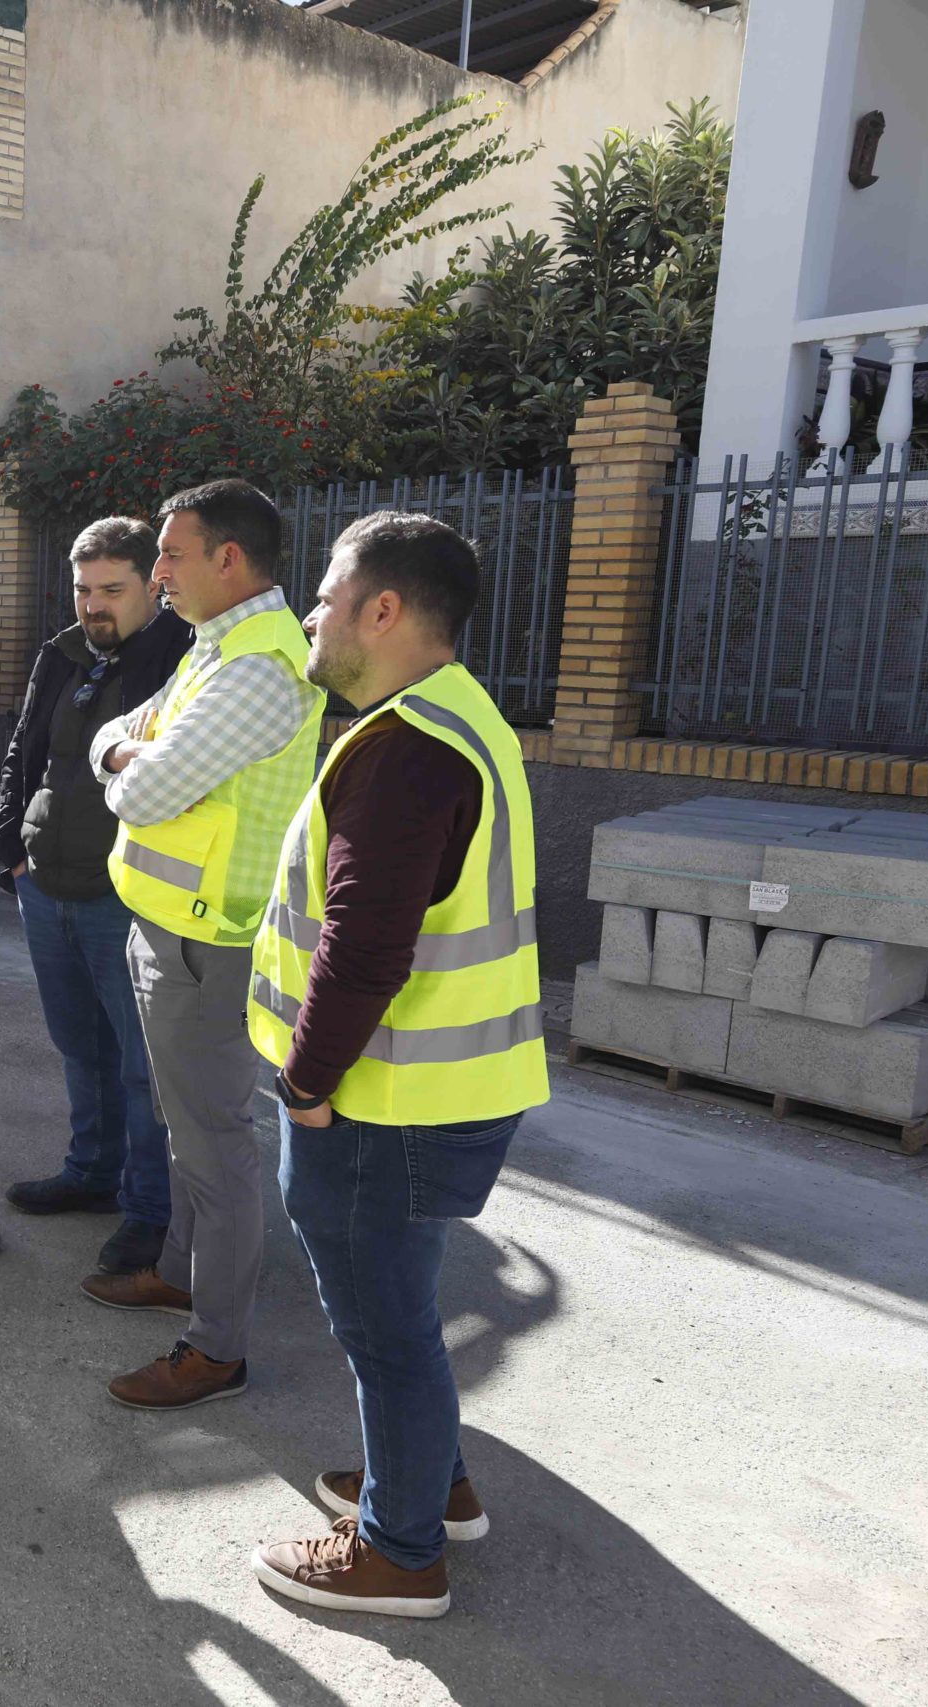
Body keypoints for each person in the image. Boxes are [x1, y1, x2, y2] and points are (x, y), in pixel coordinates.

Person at [247, 512, 547, 1618]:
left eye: (323, 596)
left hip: (384, 1104)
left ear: (383, 609)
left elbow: (365, 943)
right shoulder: (456, 717)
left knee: (382, 1326)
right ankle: (431, 1484)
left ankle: (399, 1551)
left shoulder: (404, 750)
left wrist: (306, 1083)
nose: (310, 617)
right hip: (440, 1094)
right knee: (401, 1311)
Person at [83, 479, 324, 1410]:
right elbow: (119, 739)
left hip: (211, 942)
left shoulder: (260, 668)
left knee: (216, 1143)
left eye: (172, 556)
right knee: (188, 1126)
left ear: (230, 558)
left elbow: (142, 788)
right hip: (170, 928)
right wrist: (130, 755)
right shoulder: (215, 648)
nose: (157, 573)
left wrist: (132, 765)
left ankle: (216, 1345)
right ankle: (181, 1272)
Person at [0, 518, 191, 1274]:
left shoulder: (183, 658)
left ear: (151, 585)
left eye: (112, 589)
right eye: (83, 588)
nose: (94, 605)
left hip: (127, 893)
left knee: (143, 1064)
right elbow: (24, 750)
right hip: (45, 885)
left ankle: (150, 1211)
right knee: (81, 1045)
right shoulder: (62, 651)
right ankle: (91, 1173)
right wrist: (11, 850)